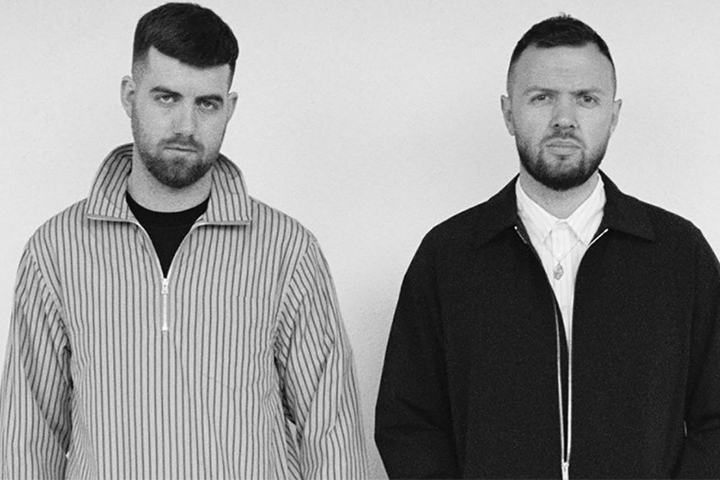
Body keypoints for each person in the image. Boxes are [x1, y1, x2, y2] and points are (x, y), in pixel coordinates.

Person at [0, 3, 368, 478]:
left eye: (206, 103)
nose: (186, 126)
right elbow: (28, 437)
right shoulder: (55, 251)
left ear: (229, 108)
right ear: (130, 95)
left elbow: (332, 430)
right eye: (166, 97)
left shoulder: (287, 251)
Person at [375, 14, 720, 479]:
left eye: (586, 98)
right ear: (508, 113)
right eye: (541, 97)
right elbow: (408, 423)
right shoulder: (448, 256)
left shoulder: (679, 254)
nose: (564, 119)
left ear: (613, 115)